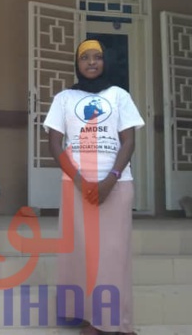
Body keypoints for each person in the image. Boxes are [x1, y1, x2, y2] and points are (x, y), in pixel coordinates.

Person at [44, 39, 142, 335]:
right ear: (77, 63)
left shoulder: (119, 95)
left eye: (97, 57)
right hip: (76, 186)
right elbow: (54, 143)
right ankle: (85, 317)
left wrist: (110, 179)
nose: (91, 62)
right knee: (81, 253)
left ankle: (112, 323)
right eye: (85, 57)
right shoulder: (64, 98)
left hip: (117, 184)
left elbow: (129, 140)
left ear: (105, 62)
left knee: (113, 255)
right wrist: (79, 181)